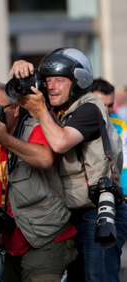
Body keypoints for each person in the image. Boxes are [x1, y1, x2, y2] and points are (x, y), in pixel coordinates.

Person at [12, 48, 127, 282]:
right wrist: (19, 68)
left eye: (59, 80)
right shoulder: (61, 109)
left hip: (97, 211)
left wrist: (41, 109)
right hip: (72, 215)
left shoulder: (89, 108)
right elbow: (12, 103)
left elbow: (60, 142)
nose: (50, 86)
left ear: (78, 81)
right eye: (47, 80)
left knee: (99, 279)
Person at [0, 82, 76, 281]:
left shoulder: (34, 129)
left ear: (15, 109)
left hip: (45, 239)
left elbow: (45, 159)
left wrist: (5, 139)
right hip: (10, 243)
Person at [91, 78, 127, 199]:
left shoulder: (120, 126)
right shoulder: (74, 122)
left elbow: (124, 167)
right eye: (101, 105)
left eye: (110, 105)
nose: (106, 110)